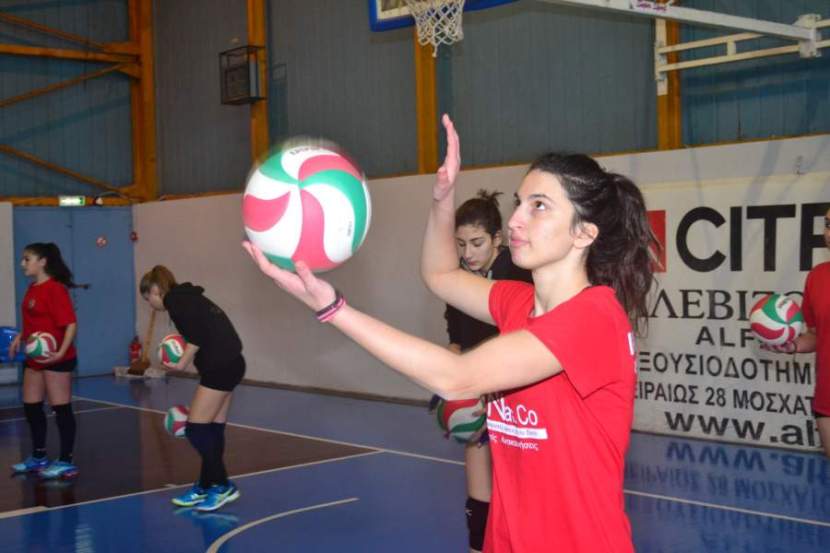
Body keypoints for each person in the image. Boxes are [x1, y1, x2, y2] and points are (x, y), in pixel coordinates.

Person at [243, 114, 656, 552]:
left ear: (584, 233)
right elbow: (440, 273)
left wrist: (333, 308)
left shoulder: (594, 317)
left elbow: (457, 377)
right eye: (519, 203)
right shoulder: (516, 302)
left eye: (539, 206)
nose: (515, 220)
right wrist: (443, 199)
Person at [441, 189, 532, 553]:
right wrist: (451, 388)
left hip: (521, 393)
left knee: (525, 486)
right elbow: (456, 340)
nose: (468, 253)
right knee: (477, 478)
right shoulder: (459, 280)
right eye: (461, 244)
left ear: (497, 239)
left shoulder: (521, 273)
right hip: (480, 391)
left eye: (477, 243)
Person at [140, 266, 245, 511]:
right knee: (213, 429)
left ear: (155, 290)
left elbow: (196, 337)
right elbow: (204, 332)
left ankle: (222, 485)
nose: (150, 304)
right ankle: (205, 485)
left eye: (148, 298)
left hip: (221, 367)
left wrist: (181, 363)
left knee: (196, 429)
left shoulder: (175, 302)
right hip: (231, 363)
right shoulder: (189, 298)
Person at [9, 243, 80, 480]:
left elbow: (70, 324)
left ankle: (66, 461)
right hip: (35, 358)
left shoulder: (56, 289)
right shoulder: (32, 288)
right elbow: (34, 321)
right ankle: (39, 456)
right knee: (31, 406)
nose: (22, 263)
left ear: (42, 262)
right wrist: (20, 336)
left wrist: (61, 352)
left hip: (56, 357)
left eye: (27, 259)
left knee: (61, 409)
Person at [766, 206, 830, 458]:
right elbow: (817, 335)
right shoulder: (817, 277)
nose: (829, 233)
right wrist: (792, 344)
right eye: (828, 225)